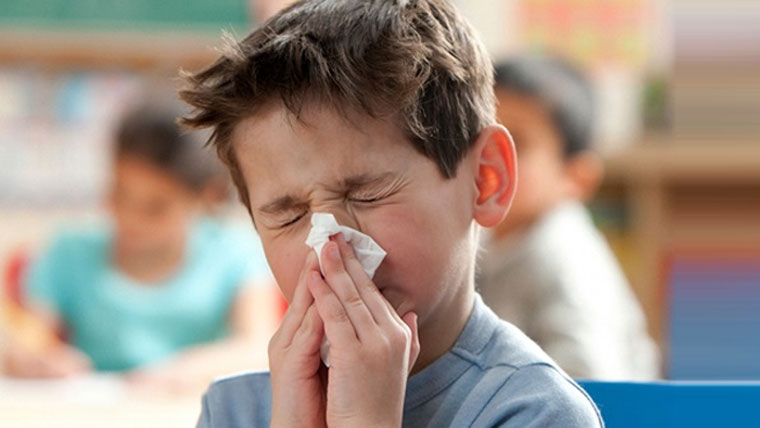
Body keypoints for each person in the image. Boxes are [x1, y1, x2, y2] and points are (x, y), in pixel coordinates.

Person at [180, 0, 603, 426]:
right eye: (289, 214)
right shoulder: (233, 411)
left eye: (368, 193)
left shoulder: (540, 413)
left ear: (485, 179)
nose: (330, 247)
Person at [2, 104, 279, 393]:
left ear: (205, 197)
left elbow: (259, 347)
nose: (130, 218)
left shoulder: (235, 252)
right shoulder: (68, 251)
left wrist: (190, 369)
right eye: (119, 194)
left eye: (155, 208)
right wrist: (36, 359)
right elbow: (31, 340)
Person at [477, 55, 659, 380]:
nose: (486, 157)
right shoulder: (485, 238)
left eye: (516, 143)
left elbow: (592, 381)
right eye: (478, 135)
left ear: (575, 178)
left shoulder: (568, 259)